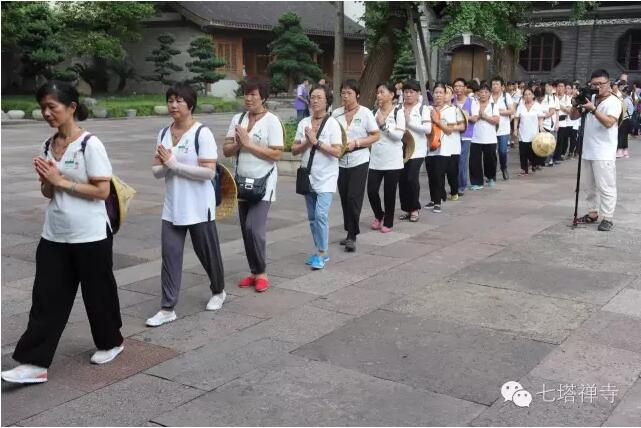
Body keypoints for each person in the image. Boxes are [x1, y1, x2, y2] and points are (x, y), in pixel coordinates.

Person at [2, 82, 124, 384]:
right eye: (43, 107)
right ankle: (34, 363)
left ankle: (111, 342)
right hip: (55, 233)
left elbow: (102, 191)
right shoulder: (48, 144)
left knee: (98, 294)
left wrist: (60, 180)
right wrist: (47, 180)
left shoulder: (90, 144)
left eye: (52, 106)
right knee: (46, 297)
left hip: (91, 234)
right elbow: (48, 192)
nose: (46, 112)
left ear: (71, 107)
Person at [146, 83, 226, 327]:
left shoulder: (202, 133)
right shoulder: (163, 133)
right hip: (173, 206)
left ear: (190, 105)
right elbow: (156, 171)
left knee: (207, 253)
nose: (173, 105)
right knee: (170, 256)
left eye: (179, 100)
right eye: (170, 100)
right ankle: (167, 308)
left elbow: (209, 172)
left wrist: (174, 164)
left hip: (199, 206)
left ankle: (218, 290)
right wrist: (165, 165)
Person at [223, 78, 283, 293]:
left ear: (263, 97)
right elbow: (226, 150)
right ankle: (254, 271)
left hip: (263, 182)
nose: (248, 98)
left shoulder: (272, 121)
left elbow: (276, 153)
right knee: (245, 229)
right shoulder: (238, 119)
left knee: (254, 228)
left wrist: (249, 144)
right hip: (241, 181)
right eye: (246, 94)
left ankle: (262, 272)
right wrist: (238, 144)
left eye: (253, 94)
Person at [292, 85, 343, 269]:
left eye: (319, 97)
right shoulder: (303, 123)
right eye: (312, 97)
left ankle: (321, 253)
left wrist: (316, 142)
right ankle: (320, 250)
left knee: (321, 215)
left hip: (327, 176)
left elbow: (337, 151)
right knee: (313, 217)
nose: (314, 101)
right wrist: (307, 142)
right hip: (308, 176)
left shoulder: (332, 124)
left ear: (327, 101)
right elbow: (294, 149)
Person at [570, 69, 622, 232]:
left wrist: (593, 109)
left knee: (606, 186)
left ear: (609, 84)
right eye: (594, 84)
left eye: (601, 84)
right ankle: (592, 213)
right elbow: (573, 117)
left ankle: (607, 218)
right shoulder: (590, 98)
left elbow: (609, 123)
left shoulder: (614, 101)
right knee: (589, 186)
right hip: (587, 149)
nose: (597, 87)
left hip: (604, 151)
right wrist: (575, 104)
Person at [333, 79, 380, 252]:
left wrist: (357, 143)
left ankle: (352, 235)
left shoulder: (365, 113)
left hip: (359, 159)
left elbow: (375, 135)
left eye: (349, 93)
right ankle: (349, 231)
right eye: (343, 93)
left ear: (357, 95)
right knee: (345, 197)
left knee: (354, 197)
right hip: (340, 161)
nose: (345, 96)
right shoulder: (336, 114)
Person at [368, 81, 405, 231]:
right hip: (376, 159)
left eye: (382, 92)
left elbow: (399, 136)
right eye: (377, 92)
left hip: (393, 160)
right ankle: (379, 215)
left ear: (391, 95)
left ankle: (388, 221)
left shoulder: (398, 112)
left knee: (389, 193)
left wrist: (383, 125)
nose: (379, 95)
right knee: (371, 190)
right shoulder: (373, 113)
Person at [425, 83, 465, 212]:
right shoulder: (428, 109)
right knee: (431, 175)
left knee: (438, 175)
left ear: (445, 95)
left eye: (441, 93)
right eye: (436, 92)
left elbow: (449, 130)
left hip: (445, 149)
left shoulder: (451, 110)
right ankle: (433, 199)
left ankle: (438, 202)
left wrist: (437, 121)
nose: (438, 95)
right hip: (430, 147)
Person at [399, 79, 431, 221]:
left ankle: (414, 208)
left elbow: (428, 129)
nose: (408, 95)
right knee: (402, 180)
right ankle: (406, 209)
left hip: (417, 150)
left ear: (418, 94)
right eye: (406, 92)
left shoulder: (423, 109)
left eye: (411, 92)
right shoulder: (398, 108)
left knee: (412, 178)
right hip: (400, 149)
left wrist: (409, 123)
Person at [469, 82, 500, 190]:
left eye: (486, 92)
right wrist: (477, 117)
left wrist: (485, 117)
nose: (483, 94)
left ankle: (490, 177)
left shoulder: (493, 106)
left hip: (490, 138)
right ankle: (477, 182)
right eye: (481, 92)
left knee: (490, 160)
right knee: (474, 161)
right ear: (478, 93)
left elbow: (496, 120)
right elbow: (472, 117)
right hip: (475, 137)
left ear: (489, 94)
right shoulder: (474, 104)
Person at [453, 78, 479, 196]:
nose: (458, 88)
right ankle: (455, 184)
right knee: (454, 161)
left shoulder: (471, 101)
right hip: (453, 134)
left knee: (462, 161)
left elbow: (475, 118)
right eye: (456, 86)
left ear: (465, 88)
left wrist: (463, 116)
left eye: (460, 86)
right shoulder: (452, 101)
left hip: (466, 135)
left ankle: (461, 186)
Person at [513, 87, 544, 175]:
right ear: (523, 96)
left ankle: (534, 164)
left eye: (529, 94)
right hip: (523, 132)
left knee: (533, 152)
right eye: (525, 94)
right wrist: (515, 129)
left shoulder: (537, 106)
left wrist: (541, 127)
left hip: (534, 133)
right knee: (523, 152)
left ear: (533, 95)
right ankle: (524, 169)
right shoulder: (521, 106)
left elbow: (540, 118)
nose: (527, 96)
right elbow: (516, 118)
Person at [490, 76, 515, 180]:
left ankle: (504, 167)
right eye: (493, 84)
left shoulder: (506, 96)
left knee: (502, 151)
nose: (495, 86)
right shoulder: (488, 96)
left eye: (497, 84)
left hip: (503, 129)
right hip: (490, 128)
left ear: (502, 86)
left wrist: (498, 112)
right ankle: (492, 173)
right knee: (491, 152)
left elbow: (511, 110)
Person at [554, 80, 573, 162]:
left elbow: (569, 111)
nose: (560, 88)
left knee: (560, 140)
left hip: (562, 121)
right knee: (552, 139)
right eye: (558, 86)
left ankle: (557, 156)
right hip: (553, 121)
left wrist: (559, 105)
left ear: (564, 88)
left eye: (562, 86)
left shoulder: (567, 98)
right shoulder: (552, 97)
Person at [542, 81, 560, 166]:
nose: (548, 88)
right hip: (543, 123)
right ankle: (543, 159)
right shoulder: (542, 97)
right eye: (546, 86)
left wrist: (557, 123)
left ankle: (550, 159)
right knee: (543, 142)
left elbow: (557, 112)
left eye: (549, 86)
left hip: (552, 123)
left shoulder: (555, 98)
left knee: (552, 142)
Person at [617, 85, 634, 159]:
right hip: (629, 119)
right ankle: (625, 152)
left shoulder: (625, 100)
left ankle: (620, 151)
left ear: (625, 92)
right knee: (625, 136)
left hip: (624, 120)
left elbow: (622, 111)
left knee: (621, 136)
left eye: (623, 91)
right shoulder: (630, 99)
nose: (621, 93)